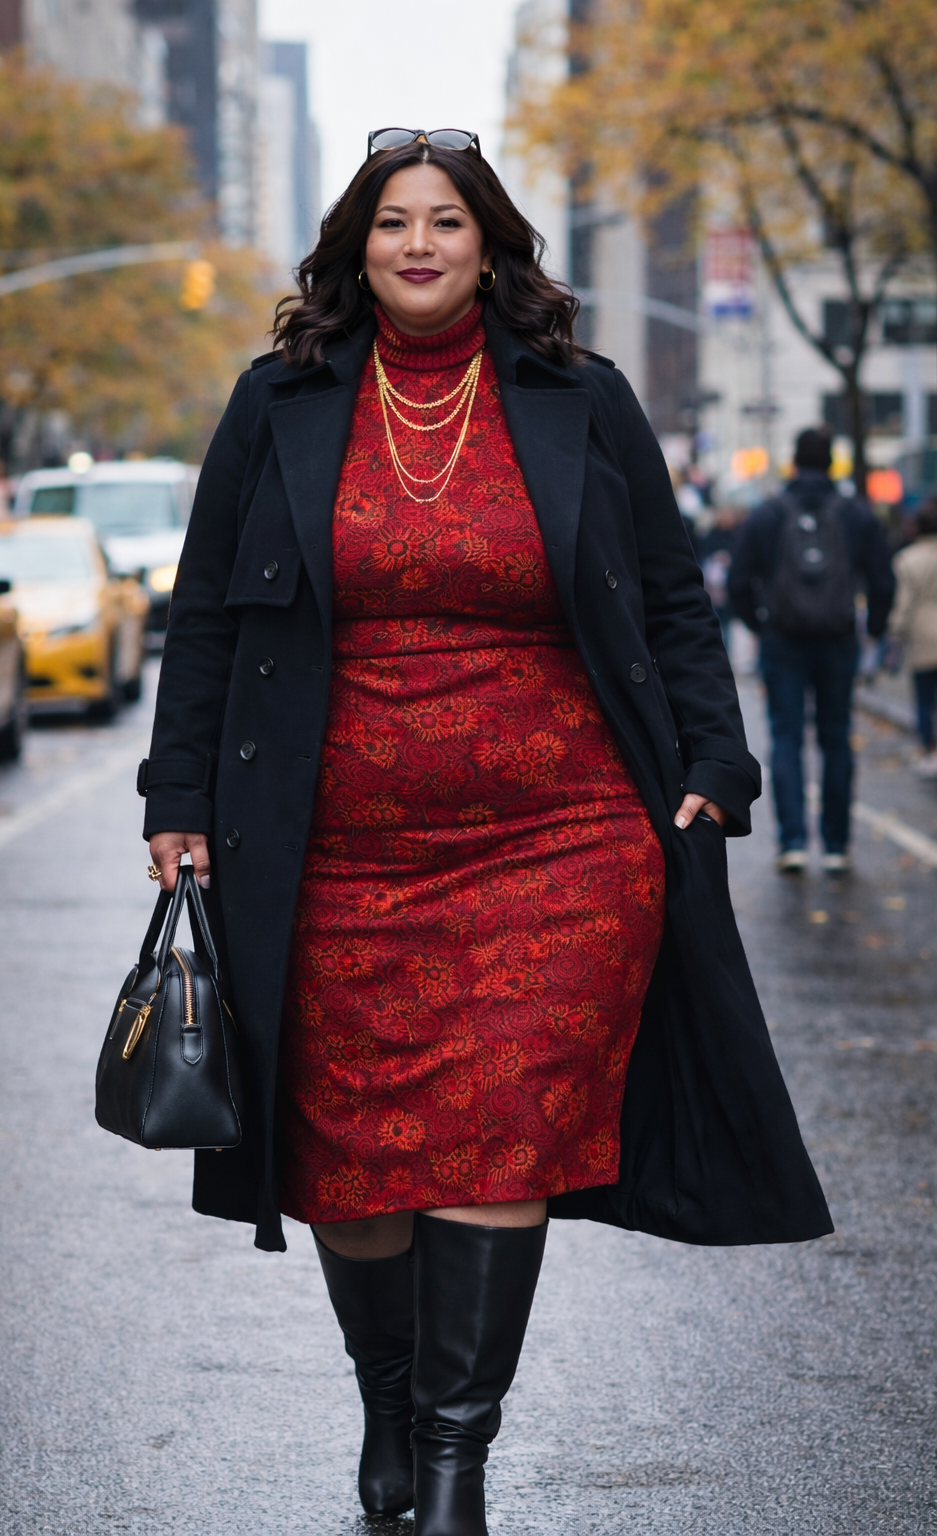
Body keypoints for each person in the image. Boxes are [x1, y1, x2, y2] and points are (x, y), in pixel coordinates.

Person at [140, 131, 831, 1534]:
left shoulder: (584, 398)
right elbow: (207, 612)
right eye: (393, 223)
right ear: (356, 247)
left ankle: (454, 1465)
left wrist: (714, 757)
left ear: (489, 244)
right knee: (353, 1165)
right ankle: (386, 1407)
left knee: (501, 1140)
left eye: (446, 222)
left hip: (559, 847)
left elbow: (671, 596)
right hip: (332, 856)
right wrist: (180, 803)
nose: (418, 245)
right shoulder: (277, 403)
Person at [728, 428, 894, 874]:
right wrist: (873, 631)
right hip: (838, 640)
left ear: (794, 462)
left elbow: (738, 581)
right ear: (832, 464)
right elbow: (882, 578)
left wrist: (759, 624)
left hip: (783, 640)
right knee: (836, 738)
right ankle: (837, 846)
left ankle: (793, 843)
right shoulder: (856, 515)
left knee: (786, 737)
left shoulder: (767, 514)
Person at [889, 497, 937, 779]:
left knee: (923, 699)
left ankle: (929, 750)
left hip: (922, 637)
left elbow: (904, 604)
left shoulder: (907, 559)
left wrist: (894, 631)